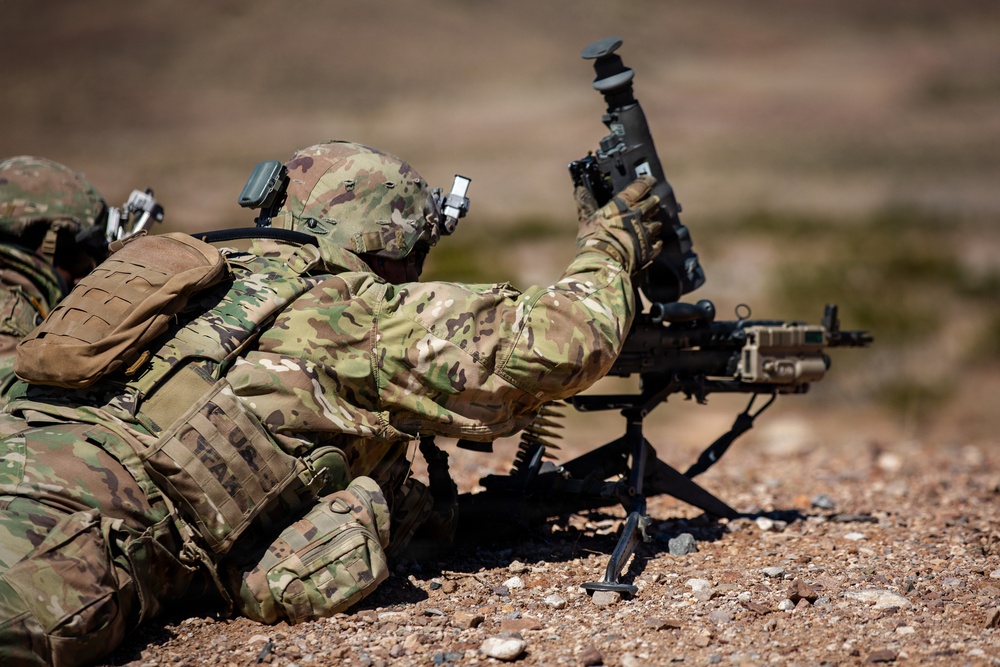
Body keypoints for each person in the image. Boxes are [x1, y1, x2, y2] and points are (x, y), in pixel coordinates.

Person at [0, 139, 662, 667]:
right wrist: (614, 248)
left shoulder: (187, 276)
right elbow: (563, 341)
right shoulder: (346, 312)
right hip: (60, 544)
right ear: (390, 244)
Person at [0, 156, 112, 403]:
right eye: (84, 256)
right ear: (53, 243)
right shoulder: (12, 312)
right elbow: (16, 412)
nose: (84, 275)